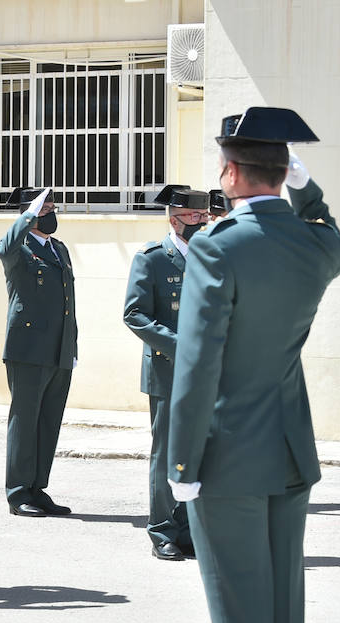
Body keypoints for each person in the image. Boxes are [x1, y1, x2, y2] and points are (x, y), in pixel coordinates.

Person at [164, 107, 340, 623]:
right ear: (283, 171)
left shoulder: (217, 246)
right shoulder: (312, 246)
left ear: (232, 173)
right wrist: (307, 190)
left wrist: (181, 464)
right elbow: (332, 234)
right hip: (288, 451)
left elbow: (198, 362)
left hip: (228, 457)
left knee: (241, 619)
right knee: (281, 617)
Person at [122, 184, 209, 561]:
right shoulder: (153, 258)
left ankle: (191, 529)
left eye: (204, 216)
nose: (201, 223)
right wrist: (181, 344)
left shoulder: (213, 257)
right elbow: (134, 314)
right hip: (170, 370)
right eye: (193, 217)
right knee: (168, 454)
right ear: (174, 219)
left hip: (209, 373)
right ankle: (162, 529)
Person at [0, 186, 77, 518]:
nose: (50, 215)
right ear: (27, 215)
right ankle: (18, 492)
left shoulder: (58, 248)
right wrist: (30, 213)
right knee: (25, 420)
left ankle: (37, 487)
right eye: (43, 210)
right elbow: (4, 247)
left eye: (52, 208)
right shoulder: (19, 248)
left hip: (59, 347)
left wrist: (72, 344)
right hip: (28, 349)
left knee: (48, 421)